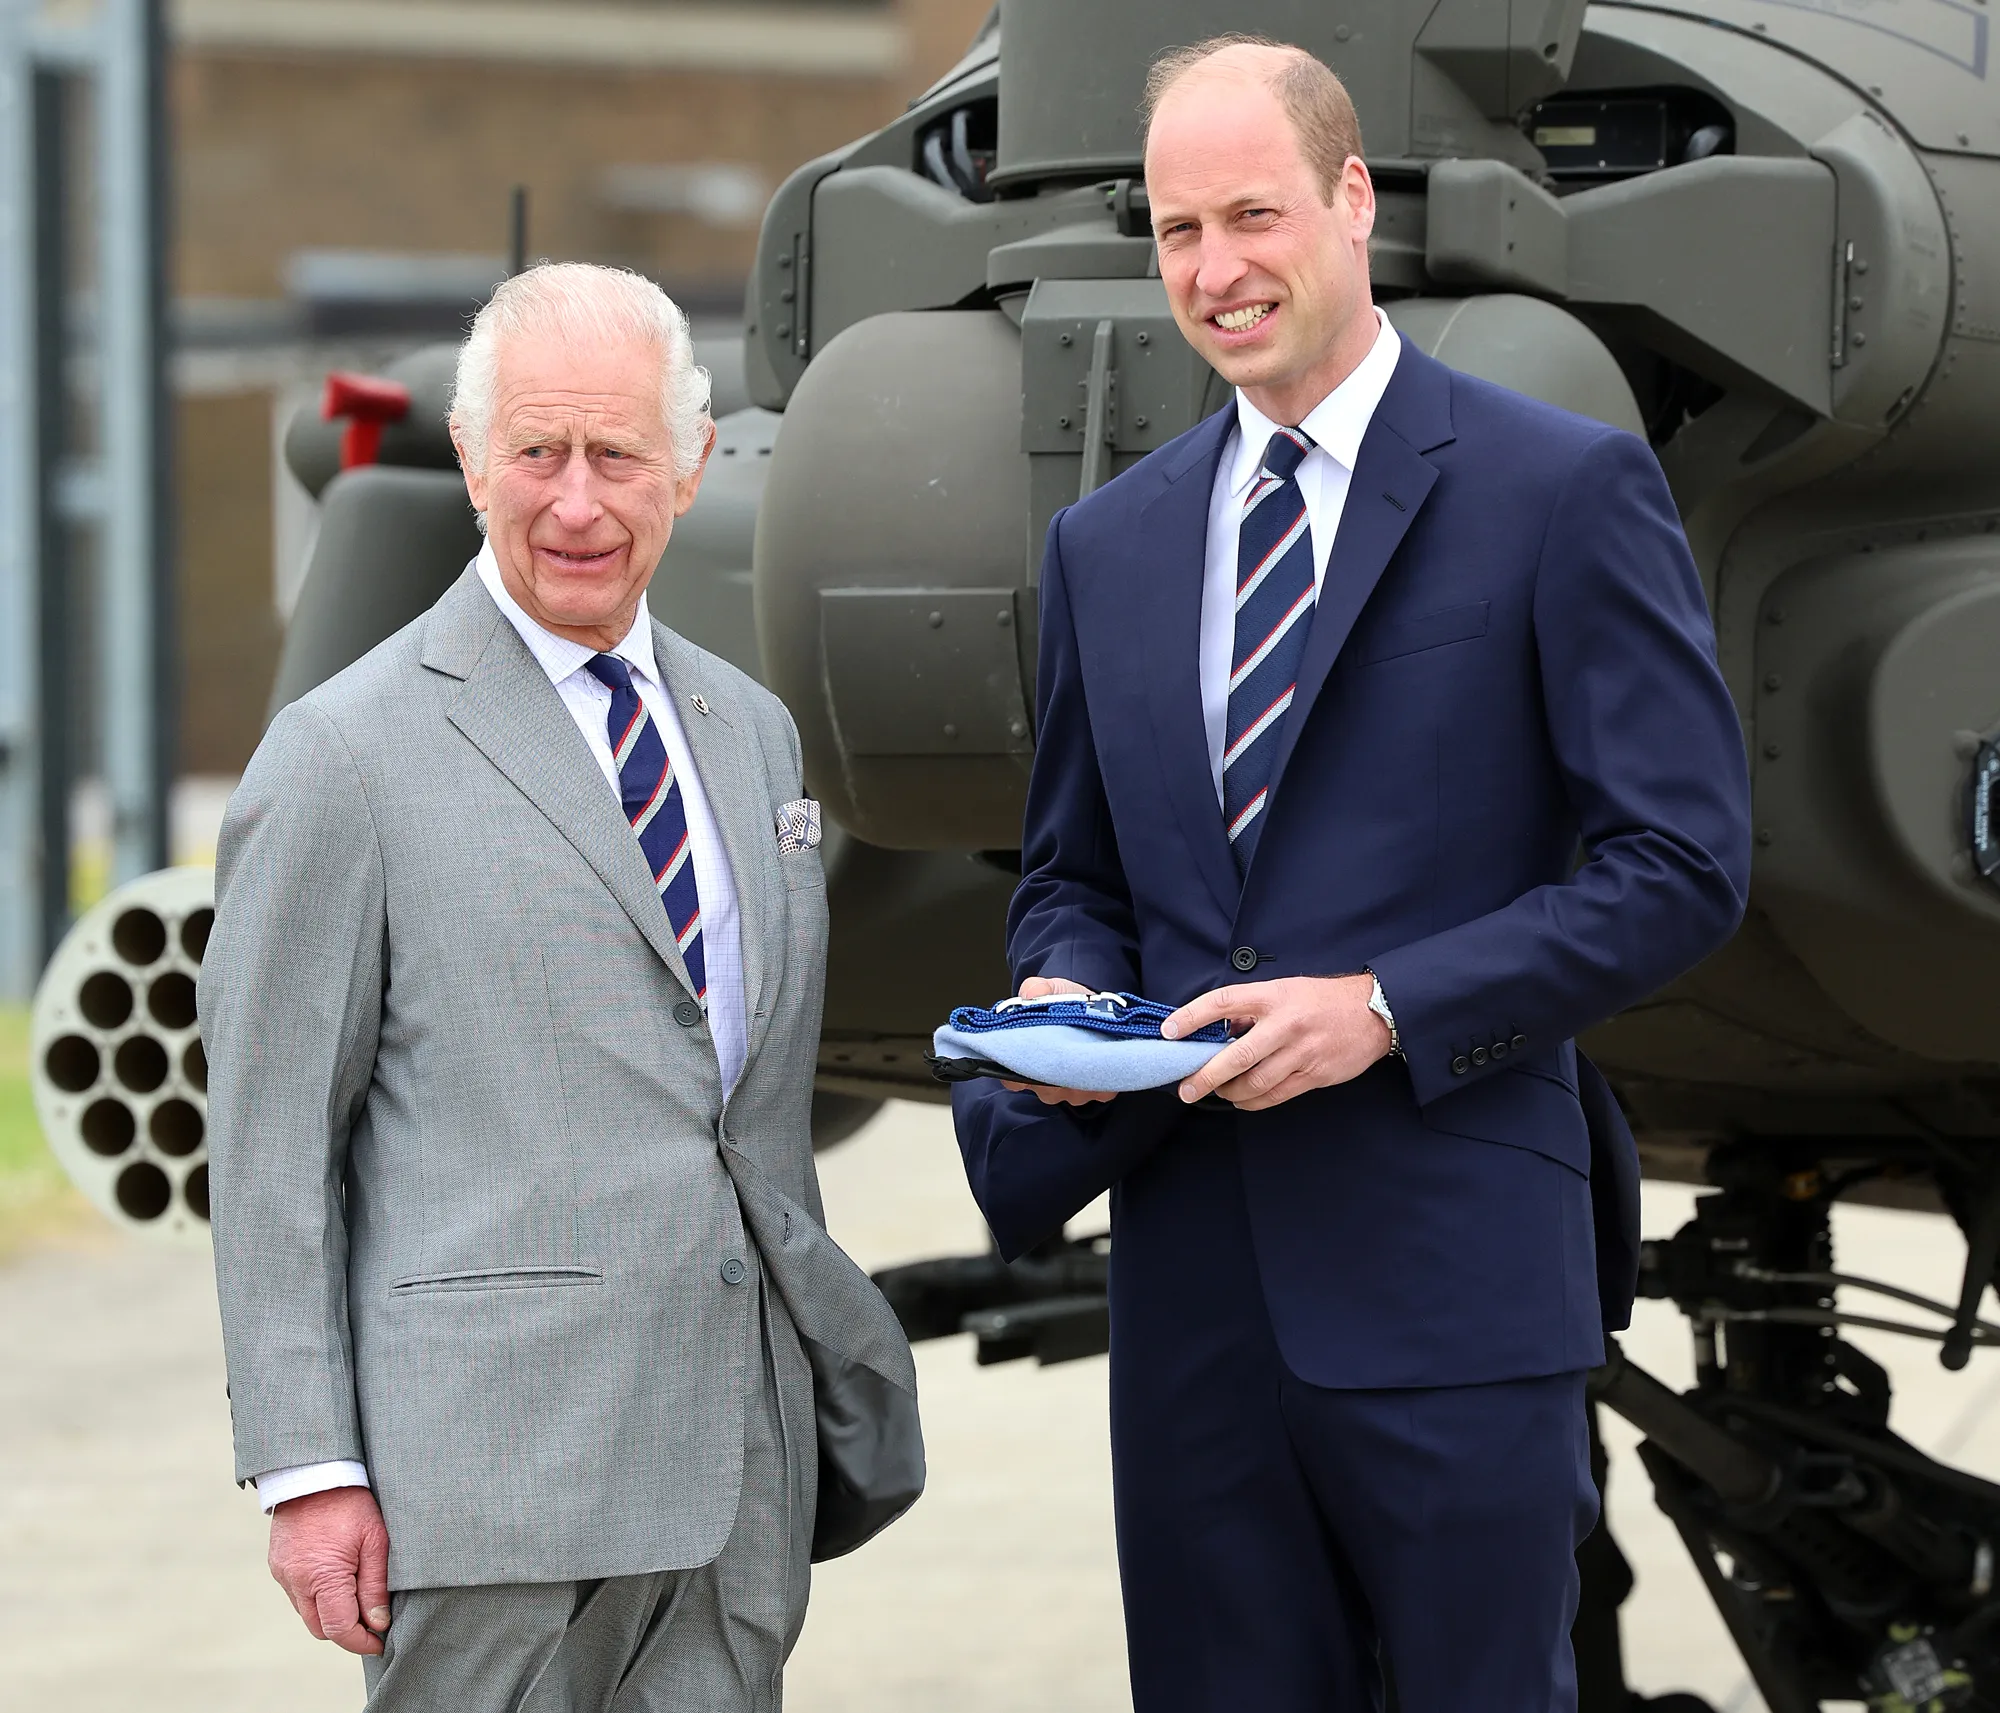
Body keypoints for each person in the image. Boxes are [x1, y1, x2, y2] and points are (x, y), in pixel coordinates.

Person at [952, 37, 1751, 1713]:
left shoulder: (1560, 489)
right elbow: (1072, 873)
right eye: (1177, 232)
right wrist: (1061, 988)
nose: (1216, 270)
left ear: (1353, 201)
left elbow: (1681, 863)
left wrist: (1389, 1009)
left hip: (1456, 1280)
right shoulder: (1111, 544)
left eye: (1252, 215)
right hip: (1193, 1302)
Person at [200, 262, 916, 1713]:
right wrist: (308, 1469)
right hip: (485, 1495)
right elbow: (269, 1145)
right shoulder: (344, 754)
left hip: (734, 1482)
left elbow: (746, 1099)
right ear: (472, 460)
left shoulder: (754, 736)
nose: (575, 503)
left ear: (695, 464)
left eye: (617, 454)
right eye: (536, 452)